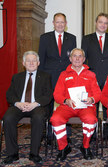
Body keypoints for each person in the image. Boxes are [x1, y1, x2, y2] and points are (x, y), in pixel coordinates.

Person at [50, 48, 101, 161]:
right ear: (70, 58)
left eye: (80, 56)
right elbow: (56, 94)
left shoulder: (91, 74)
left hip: (86, 107)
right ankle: (63, 147)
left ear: (84, 59)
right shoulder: (63, 74)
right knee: (55, 119)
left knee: (91, 119)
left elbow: (98, 94)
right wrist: (65, 100)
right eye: (74, 56)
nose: (77, 58)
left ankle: (85, 146)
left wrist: (91, 99)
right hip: (67, 106)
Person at [3, 51, 53, 164]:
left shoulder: (46, 76)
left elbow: (48, 95)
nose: (31, 63)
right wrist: (18, 103)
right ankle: (12, 154)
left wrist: (34, 104)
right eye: (28, 61)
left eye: (34, 60)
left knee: (39, 118)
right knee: (8, 118)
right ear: (23, 63)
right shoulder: (16, 77)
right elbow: (9, 95)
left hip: (37, 105)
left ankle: (34, 153)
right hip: (19, 105)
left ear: (38, 62)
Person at [81, 12, 108, 140]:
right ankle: (91, 132)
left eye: (105, 23)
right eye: (100, 22)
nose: (103, 25)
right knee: (92, 106)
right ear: (95, 23)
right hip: (92, 78)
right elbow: (83, 60)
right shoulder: (86, 39)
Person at [38, 12, 76, 141]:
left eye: (62, 22)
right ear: (53, 23)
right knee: (48, 105)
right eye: (57, 22)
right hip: (49, 76)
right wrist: (41, 78)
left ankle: (67, 133)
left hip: (66, 77)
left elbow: (73, 59)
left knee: (67, 104)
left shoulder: (72, 38)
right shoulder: (44, 38)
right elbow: (41, 59)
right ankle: (49, 132)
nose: (60, 24)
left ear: (66, 24)